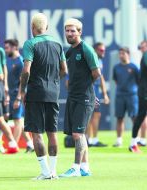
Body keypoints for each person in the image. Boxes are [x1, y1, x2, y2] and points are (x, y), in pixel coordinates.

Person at [21, 13, 67, 180]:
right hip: (53, 93)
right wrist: (53, 81)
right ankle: (53, 171)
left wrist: (21, 90)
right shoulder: (57, 44)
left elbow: (26, 70)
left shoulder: (30, 44)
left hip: (35, 92)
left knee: (37, 133)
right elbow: (64, 70)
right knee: (52, 132)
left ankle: (45, 172)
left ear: (32, 28)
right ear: (46, 28)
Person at [59, 18, 101, 177]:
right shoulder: (69, 51)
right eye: (67, 31)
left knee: (77, 134)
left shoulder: (87, 49)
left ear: (80, 32)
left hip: (84, 97)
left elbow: (96, 74)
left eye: (73, 31)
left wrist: (89, 91)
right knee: (79, 134)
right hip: (73, 96)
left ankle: (75, 168)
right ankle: (85, 168)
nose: (69, 34)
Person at [4, 39, 34, 153]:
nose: (6, 50)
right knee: (18, 122)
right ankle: (30, 144)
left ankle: (13, 146)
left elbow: (23, 81)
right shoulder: (8, 60)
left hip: (18, 95)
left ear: (14, 47)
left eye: (7, 48)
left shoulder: (21, 61)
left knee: (17, 120)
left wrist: (19, 97)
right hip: (10, 95)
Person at [112, 47, 139, 147]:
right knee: (119, 118)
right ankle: (119, 140)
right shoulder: (116, 67)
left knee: (134, 118)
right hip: (120, 96)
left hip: (132, 96)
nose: (121, 55)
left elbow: (139, 81)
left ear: (128, 54)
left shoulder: (134, 67)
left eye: (123, 53)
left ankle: (135, 140)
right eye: (120, 54)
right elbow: (116, 80)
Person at [87, 42, 110, 147]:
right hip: (89, 90)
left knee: (97, 114)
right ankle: (88, 139)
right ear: (95, 50)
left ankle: (94, 139)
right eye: (101, 50)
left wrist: (105, 94)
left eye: (104, 50)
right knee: (88, 115)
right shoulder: (90, 59)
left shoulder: (100, 61)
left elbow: (101, 78)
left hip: (97, 91)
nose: (103, 52)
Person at [129, 40, 147, 152]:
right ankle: (133, 143)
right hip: (145, 92)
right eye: (141, 46)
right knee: (141, 116)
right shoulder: (145, 55)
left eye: (143, 46)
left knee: (141, 116)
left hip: (143, 90)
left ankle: (134, 143)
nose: (142, 48)